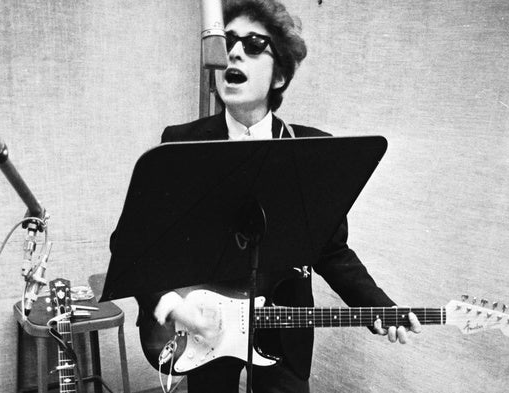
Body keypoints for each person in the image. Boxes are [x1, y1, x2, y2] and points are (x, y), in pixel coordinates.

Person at [130, 0, 422, 392]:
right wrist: (174, 307)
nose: (234, 51)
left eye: (252, 44)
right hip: (205, 335)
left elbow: (331, 251)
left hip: (284, 335)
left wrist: (380, 305)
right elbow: (135, 244)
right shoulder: (182, 143)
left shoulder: (313, 150)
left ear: (280, 76)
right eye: (229, 41)